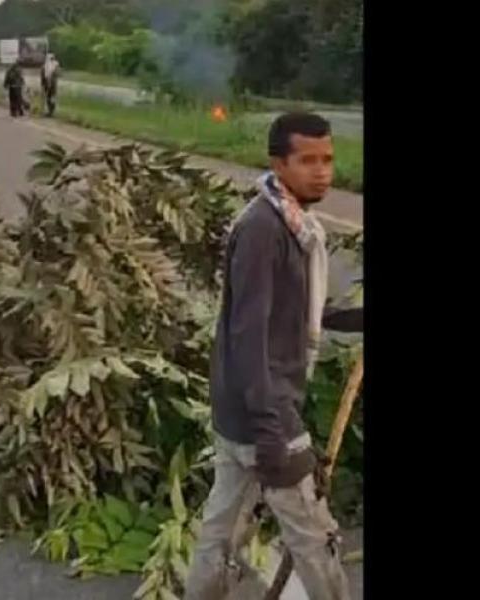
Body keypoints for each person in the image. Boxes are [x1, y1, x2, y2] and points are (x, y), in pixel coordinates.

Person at [183, 113, 347, 600]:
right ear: (278, 164)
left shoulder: (292, 224)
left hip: (240, 415)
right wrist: (273, 431)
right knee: (316, 538)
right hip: (266, 414)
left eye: (328, 160)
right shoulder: (264, 230)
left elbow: (303, 310)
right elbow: (247, 336)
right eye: (307, 161)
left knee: (222, 533)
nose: (321, 172)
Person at [40, 53, 61, 117]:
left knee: (50, 98)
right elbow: (43, 77)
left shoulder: (47, 66)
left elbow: (43, 77)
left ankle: (51, 111)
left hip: (51, 85)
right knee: (50, 98)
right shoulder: (54, 66)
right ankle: (51, 111)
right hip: (51, 85)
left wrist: (44, 84)